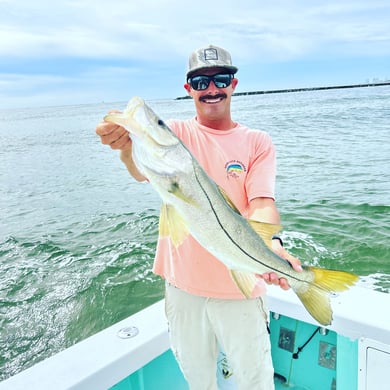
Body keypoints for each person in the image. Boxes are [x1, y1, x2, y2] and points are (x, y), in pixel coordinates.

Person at [96, 44, 302, 390]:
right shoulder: (177, 135)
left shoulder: (257, 142)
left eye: (220, 79)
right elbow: (140, 170)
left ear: (233, 84)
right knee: (199, 382)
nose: (211, 89)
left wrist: (272, 245)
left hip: (241, 288)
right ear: (188, 88)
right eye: (200, 81)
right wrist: (123, 146)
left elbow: (262, 202)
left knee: (255, 382)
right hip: (182, 289)